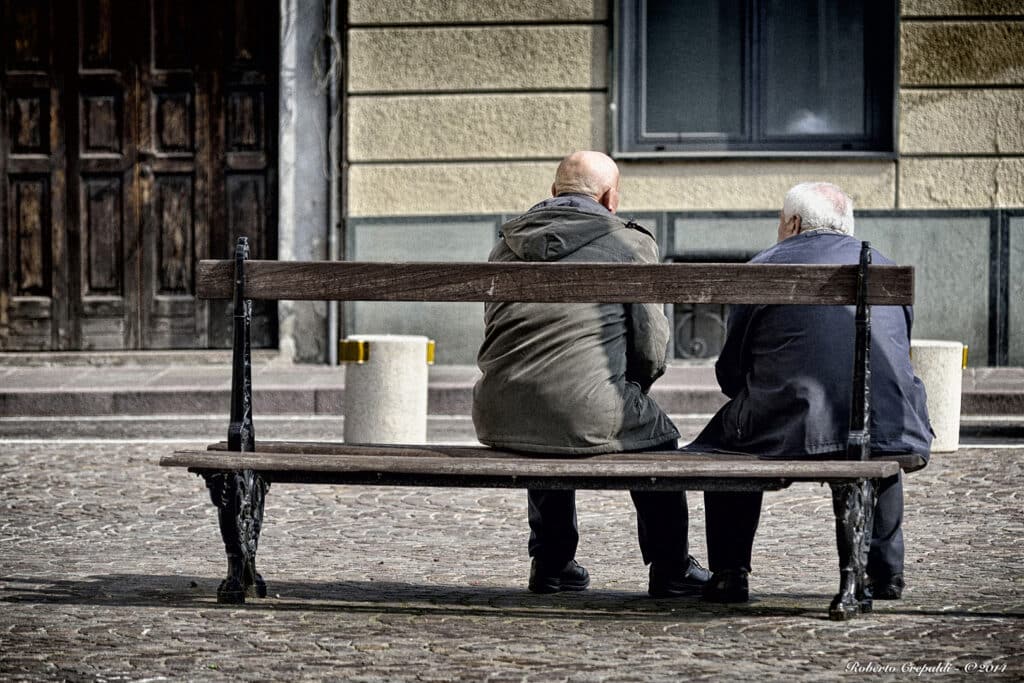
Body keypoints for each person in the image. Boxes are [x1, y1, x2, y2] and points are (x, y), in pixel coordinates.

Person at [473, 151, 710, 596]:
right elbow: (650, 344)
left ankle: (551, 562)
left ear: (553, 192)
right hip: (583, 408)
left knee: (548, 411)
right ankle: (671, 567)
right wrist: (632, 386)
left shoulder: (507, 243)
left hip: (498, 408)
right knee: (656, 435)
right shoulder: (628, 243)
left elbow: (497, 329)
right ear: (609, 199)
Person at [688, 181, 933, 604]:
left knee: (724, 445)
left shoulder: (762, 268)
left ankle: (730, 573)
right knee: (879, 435)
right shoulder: (884, 267)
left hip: (789, 422)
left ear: (794, 223)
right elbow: (897, 354)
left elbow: (731, 371)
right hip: (888, 422)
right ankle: (886, 572)